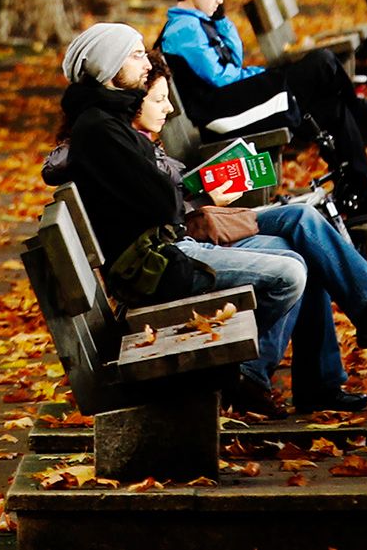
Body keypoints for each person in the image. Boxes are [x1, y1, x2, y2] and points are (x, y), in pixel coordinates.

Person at [124, 52, 367, 413]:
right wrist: (205, 196)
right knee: (301, 253)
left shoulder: (146, 139)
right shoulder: (127, 146)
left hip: (197, 228)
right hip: (183, 247)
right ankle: (300, 371)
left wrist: (205, 191)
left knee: (303, 219)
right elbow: (158, 215)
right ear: (134, 103)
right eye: (159, 100)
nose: (168, 108)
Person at [52, 22, 303, 418]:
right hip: (156, 269)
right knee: (289, 274)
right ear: (107, 66)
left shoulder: (108, 121)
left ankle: (247, 376)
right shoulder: (100, 129)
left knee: (294, 251)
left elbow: (163, 196)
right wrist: (180, 189)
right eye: (134, 55)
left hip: (161, 255)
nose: (143, 61)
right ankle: (231, 374)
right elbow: (163, 205)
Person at [156, 0, 367, 214]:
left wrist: (220, 19)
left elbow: (233, 61)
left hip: (231, 102)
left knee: (333, 107)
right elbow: (221, 78)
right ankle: (356, 106)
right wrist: (258, 75)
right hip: (221, 113)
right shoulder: (183, 30)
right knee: (321, 62)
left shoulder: (199, 23)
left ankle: (361, 192)